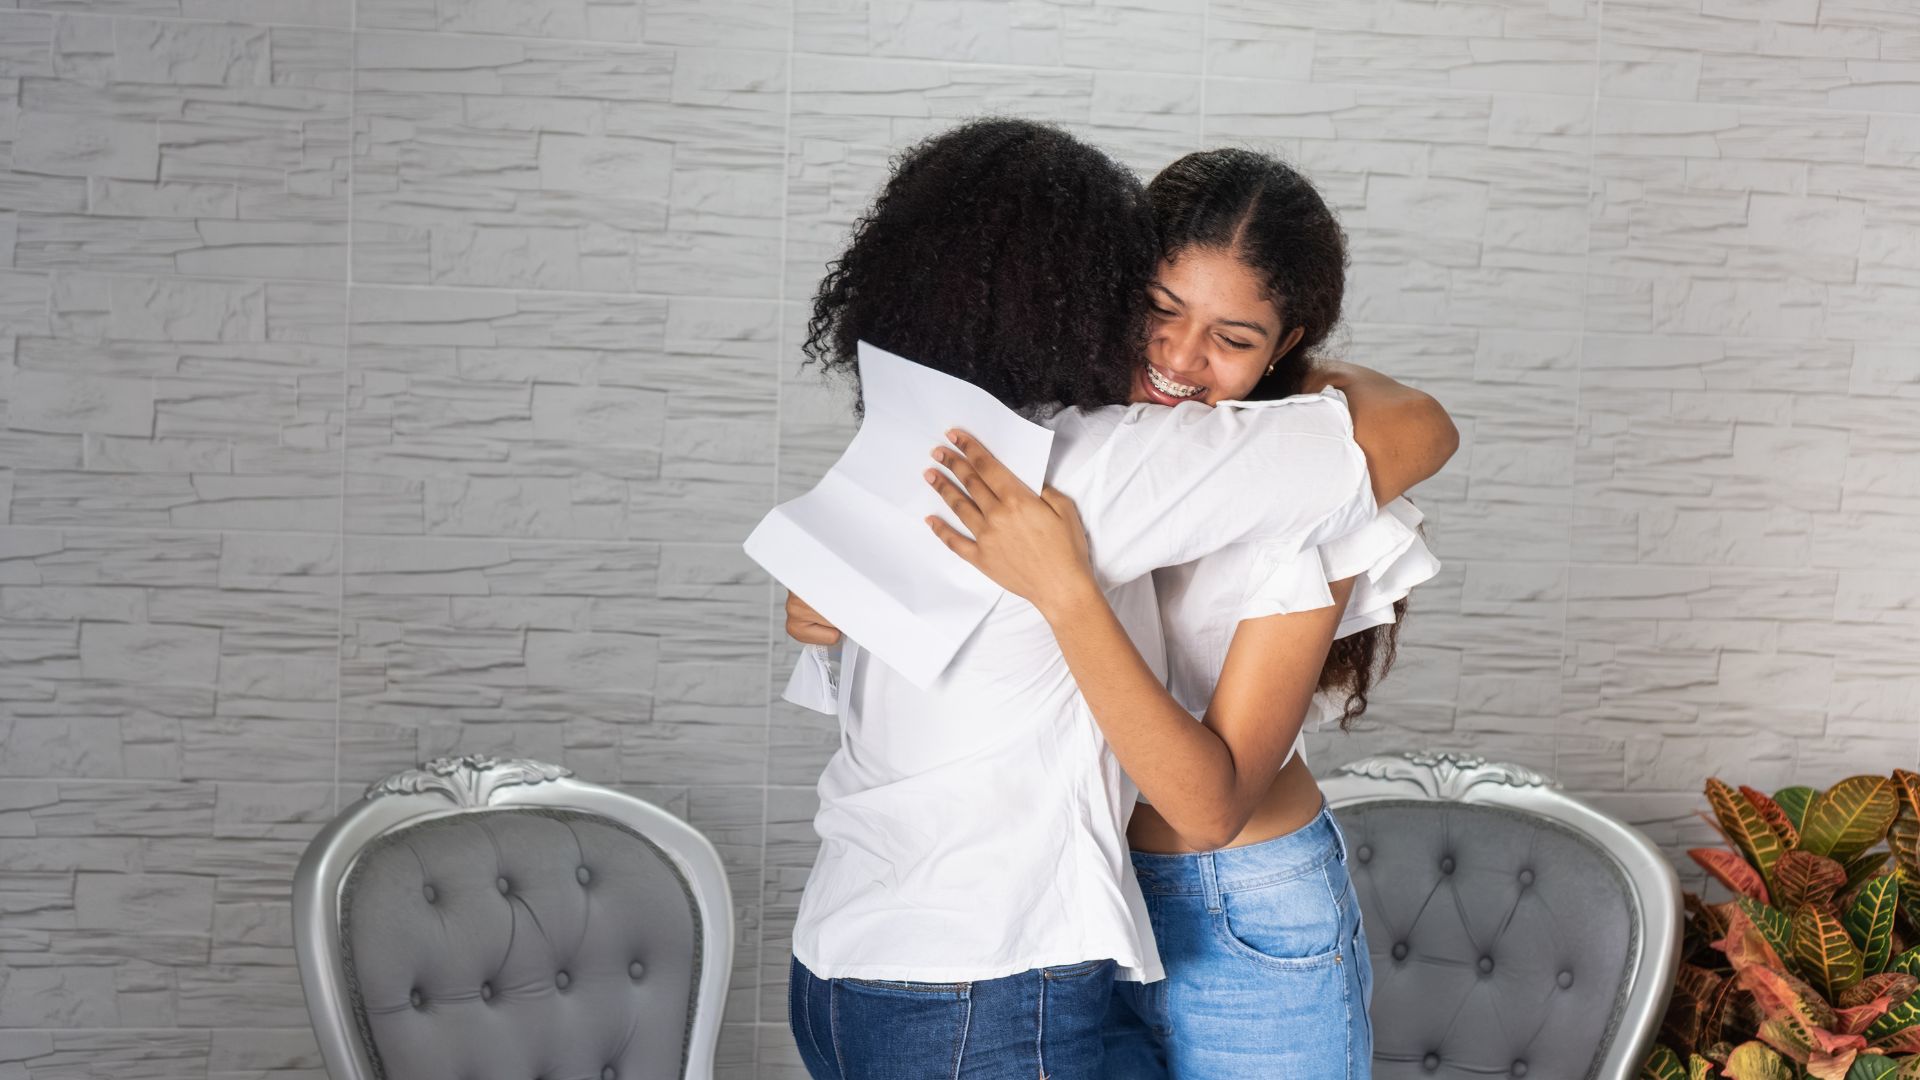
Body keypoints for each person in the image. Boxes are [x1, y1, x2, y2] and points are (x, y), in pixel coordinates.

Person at [774, 119, 1455, 1080]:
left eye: (1235, 337)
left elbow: (1416, 428)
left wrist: (1063, 591)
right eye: (1157, 308)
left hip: (1232, 903)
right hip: (1087, 906)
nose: (1179, 356)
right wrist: (833, 597)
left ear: (1284, 349)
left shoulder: (1279, 490)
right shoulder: (1058, 453)